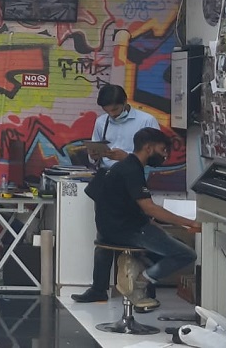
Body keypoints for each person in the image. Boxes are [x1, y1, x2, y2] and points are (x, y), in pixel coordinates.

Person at [89, 127, 200, 312]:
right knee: (186, 254)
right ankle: (140, 283)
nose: (164, 155)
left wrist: (153, 224)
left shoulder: (124, 166)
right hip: (127, 231)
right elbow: (149, 207)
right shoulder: (132, 170)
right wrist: (189, 222)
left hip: (111, 229)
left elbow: (128, 205)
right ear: (148, 148)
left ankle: (139, 274)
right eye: (162, 150)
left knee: (169, 242)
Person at [71, 84, 160, 304]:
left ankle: (144, 288)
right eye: (107, 110)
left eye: (115, 110)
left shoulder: (146, 121)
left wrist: (127, 157)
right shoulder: (102, 122)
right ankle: (99, 288)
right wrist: (94, 154)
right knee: (104, 235)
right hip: (107, 182)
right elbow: (93, 155)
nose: (112, 114)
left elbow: (156, 157)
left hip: (132, 183)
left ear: (125, 102)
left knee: (138, 235)